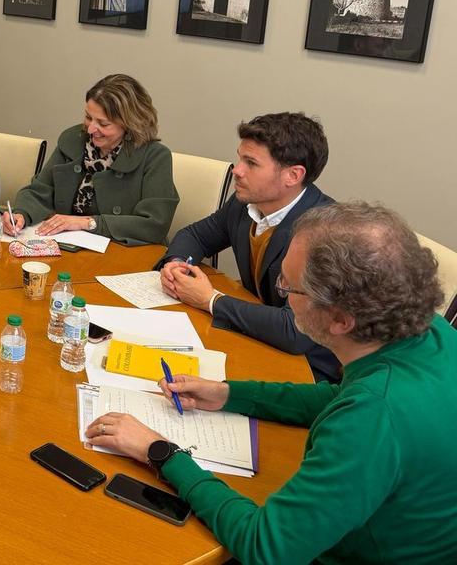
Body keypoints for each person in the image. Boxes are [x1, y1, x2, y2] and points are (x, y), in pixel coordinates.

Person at [86, 202, 457, 564]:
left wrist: (160, 452)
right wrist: (228, 394)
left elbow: (265, 548)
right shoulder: (428, 330)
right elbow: (341, 397)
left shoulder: (372, 416)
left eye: (289, 287)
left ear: (340, 320)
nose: (282, 293)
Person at [155, 112, 340, 382]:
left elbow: (296, 330)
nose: (237, 170)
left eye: (251, 163)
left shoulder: (325, 232)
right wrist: (177, 264)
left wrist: (211, 300)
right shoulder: (247, 202)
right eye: (240, 158)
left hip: (308, 370)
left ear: (293, 175)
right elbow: (196, 235)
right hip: (255, 338)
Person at [3, 74, 177, 245]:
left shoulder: (155, 157)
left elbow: (154, 224)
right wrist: (21, 214)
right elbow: (40, 191)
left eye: (103, 124)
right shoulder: (73, 140)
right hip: (69, 246)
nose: (91, 129)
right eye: (88, 117)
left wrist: (87, 223)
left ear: (130, 123)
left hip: (124, 251)